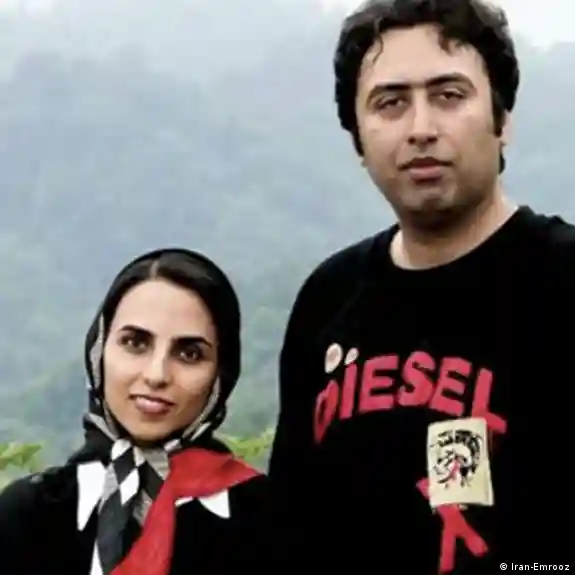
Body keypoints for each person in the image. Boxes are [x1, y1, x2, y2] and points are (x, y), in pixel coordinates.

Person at [268, 0, 572, 572]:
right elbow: (290, 527)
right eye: (390, 103)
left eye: (449, 96)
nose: (421, 129)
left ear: (502, 119)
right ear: (358, 140)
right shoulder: (328, 299)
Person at [0, 248, 270, 575]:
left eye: (189, 354)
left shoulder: (268, 523)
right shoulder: (25, 515)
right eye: (135, 343)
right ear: (99, 350)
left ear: (221, 373)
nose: (156, 375)